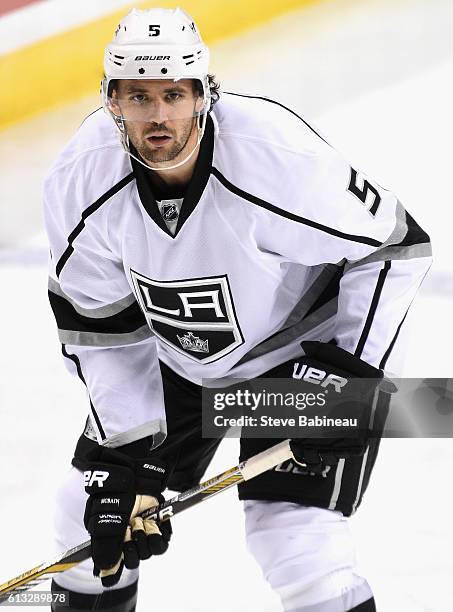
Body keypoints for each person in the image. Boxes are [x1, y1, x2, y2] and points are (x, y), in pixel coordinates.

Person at [44, 7, 431, 612]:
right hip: (178, 360)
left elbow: (396, 247)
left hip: (300, 358)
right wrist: (129, 454)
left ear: (203, 94)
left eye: (174, 94)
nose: (159, 116)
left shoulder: (273, 157)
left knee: (295, 541)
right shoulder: (80, 178)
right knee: (87, 515)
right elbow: (99, 324)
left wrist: (349, 375)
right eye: (138, 96)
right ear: (111, 101)